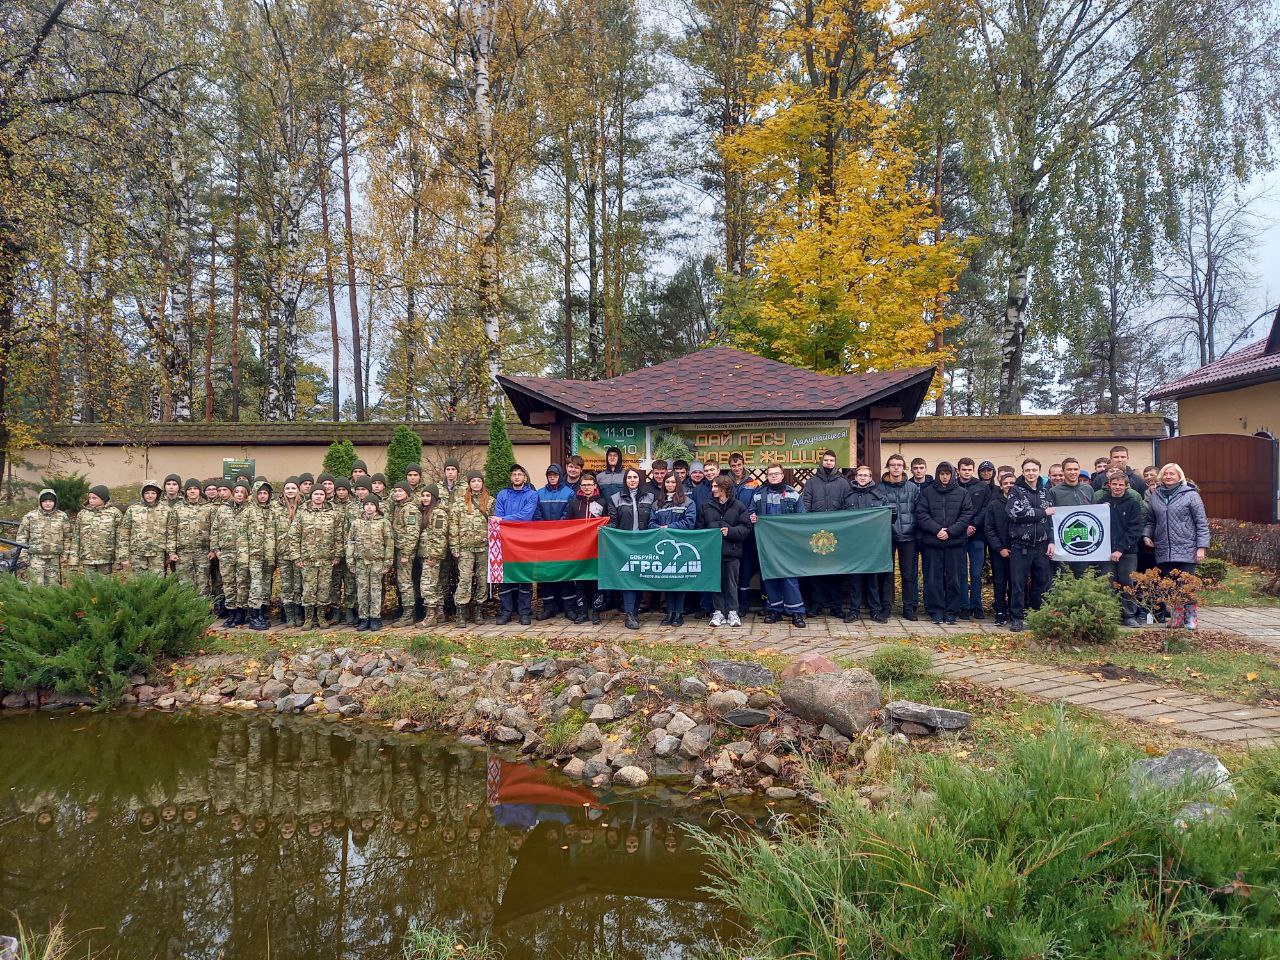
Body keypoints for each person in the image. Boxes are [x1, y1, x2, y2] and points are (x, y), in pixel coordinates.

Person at [1144, 462, 1210, 629]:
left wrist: (1201, 547)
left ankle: (1191, 618)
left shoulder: (1191, 495)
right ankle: (1177, 617)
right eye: (1165, 474)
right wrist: (1147, 535)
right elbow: (1151, 521)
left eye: (1172, 474)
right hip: (1164, 548)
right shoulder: (1156, 496)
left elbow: (1201, 522)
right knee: (1171, 586)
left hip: (1187, 546)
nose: (1168, 476)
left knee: (1187, 585)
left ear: (1179, 476)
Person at [914, 461, 973, 624]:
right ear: (938, 474)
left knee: (954, 579)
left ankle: (951, 611)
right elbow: (921, 514)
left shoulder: (962, 493)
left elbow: (967, 514)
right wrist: (937, 530)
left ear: (953, 475)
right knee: (933, 578)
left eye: (947, 474)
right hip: (932, 543)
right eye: (942, 474)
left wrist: (950, 532)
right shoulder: (927, 492)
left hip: (955, 543)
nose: (945, 477)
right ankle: (936, 610)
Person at [749, 463, 807, 627]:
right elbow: (750, 512)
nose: (773, 476)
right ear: (767, 476)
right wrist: (752, 517)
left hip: (788, 544)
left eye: (776, 473)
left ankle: (796, 613)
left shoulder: (793, 494)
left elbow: (801, 517)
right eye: (770, 474)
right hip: (767, 544)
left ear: (782, 475)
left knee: (790, 577)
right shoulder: (758, 495)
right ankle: (774, 610)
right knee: (770, 577)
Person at [1006, 458, 1057, 632]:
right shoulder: (1016, 491)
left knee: (1041, 583)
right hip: (1021, 545)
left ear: (1039, 471)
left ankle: (1037, 615)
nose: (1031, 473)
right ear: (1023, 471)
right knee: (1018, 583)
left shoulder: (1046, 492)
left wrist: (1051, 540)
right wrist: (1042, 512)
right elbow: (1016, 513)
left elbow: (1051, 520)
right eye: (1027, 470)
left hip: (1042, 545)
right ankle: (1017, 618)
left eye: (1034, 470)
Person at [800, 449, 851, 617]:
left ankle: (836, 606)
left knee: (836, 571)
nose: (829, 463)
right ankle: (817, 604)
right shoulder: (812, 482)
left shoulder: (843, 483)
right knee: (816, 571)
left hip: (836, 533)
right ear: (821, 462)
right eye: (826, 460)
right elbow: (806, 503)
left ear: (836, 463)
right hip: (816, 532)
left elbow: (847, 505)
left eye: (832, 460)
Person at [607, 467, 655, 629]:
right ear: (625, 480)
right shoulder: (615, 498)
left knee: (639, 577)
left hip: (645, 543)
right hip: (625, 544)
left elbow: (653, 519)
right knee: (628, 579)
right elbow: (613, 521)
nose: (632, 480)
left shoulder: (650, 497)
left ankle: (634, 612)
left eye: (635, 477)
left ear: (640, 480)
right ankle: (629, 614)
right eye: (629, 478)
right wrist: (606, 529)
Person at [700, 474, 751, 627]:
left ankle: (733, 612)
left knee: (732, 583)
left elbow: (746, 528)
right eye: (712, 486)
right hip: (713, 553)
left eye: (716, 486)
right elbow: (699, 527)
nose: (713, 489)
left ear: (725, 488)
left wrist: (731, 532)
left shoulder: (739, 506)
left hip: (732, 552)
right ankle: (718, 612)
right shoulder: (706, 506)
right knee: (716, 583)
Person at [1097, 469, 1145, 627]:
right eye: (1115, 484)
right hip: (1105, 551)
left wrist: (1120, 549)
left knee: (1127, 582)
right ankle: (1109, 614)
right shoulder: (1101, 503)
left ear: (1126, 486)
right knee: (1106, 583)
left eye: (1121, 485)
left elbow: (1135, 529)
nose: (1117, 487)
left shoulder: (1132, 503)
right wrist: (1101, 510)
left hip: (1128, 552)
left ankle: (1129, 615)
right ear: (1109, 484)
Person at [494, 464, 539, 625]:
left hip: (525, 541)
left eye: (520, 474)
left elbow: (526, 515)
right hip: (505, 541)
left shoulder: (532, 495)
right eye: (514, 474)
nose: (517, 477)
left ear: (525, 478)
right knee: (505, 578)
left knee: (524, 577)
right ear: (511, 477)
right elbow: (498, 515)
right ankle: (506, 612)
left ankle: (524, 613)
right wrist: (504, 520)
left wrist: (506, 520)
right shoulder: (502, 494)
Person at [650, 472, 697, 626]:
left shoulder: (688, 502)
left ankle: (679, 613)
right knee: (668, 581)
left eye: (672, 482)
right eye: (667, 482)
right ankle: (670, 612)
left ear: (678, 483)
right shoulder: (658, 503)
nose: (670, 485)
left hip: (681, 547)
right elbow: (651, 523)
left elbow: (690, 522)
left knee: (680, 581)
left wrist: (669, 527)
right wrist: (659, 528)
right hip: (665, 548)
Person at [877, 454, 920, 620]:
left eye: (899, 465)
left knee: (908, 574)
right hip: (887, 536)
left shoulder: (913, 488)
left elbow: (919, 511)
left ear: (904, 467)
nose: (896, 468)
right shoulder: (879, 489)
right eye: (893, 465)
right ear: (888, 467)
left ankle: (908, 608)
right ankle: (886, 606)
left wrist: (915, 528)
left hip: (909, 536)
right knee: (887, 573)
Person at [844, 464, 889, 622]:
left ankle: (875, 610)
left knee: (873, 579)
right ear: (855, 477)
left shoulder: (879, 496)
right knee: (855, 579)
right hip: (854, 543)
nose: (862, 478)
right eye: (860, 475)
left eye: (866, 475)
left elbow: (887, 520)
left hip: (873, 544)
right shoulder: (848, 497)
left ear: (871, 478)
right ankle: (854, 611)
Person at [449, 471, 492, 627]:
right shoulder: (460, 503)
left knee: (482, 579)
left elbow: (494, 524)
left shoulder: (490, 502)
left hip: (483, 547)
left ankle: (479, 609)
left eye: (478, 481)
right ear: (469, 483)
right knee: (465, 579)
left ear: (482, 483)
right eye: (472, 481)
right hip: (465, 548)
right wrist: (454, 545)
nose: (475, 483)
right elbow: (453, 525)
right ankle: (461, 612)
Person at [295, 486, 341, 630]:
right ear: (311, 496)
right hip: (308, 559)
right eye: (316, 494)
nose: (319, 496)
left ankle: (321, 617)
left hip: (326, 559)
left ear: (325, 496)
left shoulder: (333, 514)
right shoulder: (302, 514)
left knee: (324, 589)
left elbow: (339, 536)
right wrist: (296, 556)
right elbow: (294, 536)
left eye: (321, 494)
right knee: (308, 589)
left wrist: (338, 555)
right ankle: (308, 619)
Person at [346, 494, 393, 632]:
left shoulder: (384, 523)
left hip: (377, 562)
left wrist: (387, 562)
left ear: (376, 507)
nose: (369, 507)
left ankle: (375, 617)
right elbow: (350, 542)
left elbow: (389, 544)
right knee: (362, 590)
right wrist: (350, 560)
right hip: (361, 562)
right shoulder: (356, 523)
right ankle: (363, 617)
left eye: (372, 505)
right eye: (367, 505)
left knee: (376, 590)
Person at [534, 464, 575, 620]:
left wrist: (557, 531)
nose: (552, 477)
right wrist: (546, 531)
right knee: (546, 573)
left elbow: (568, 515)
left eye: (555, 475)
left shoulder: (569, 493)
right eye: (549, 475)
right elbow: (536, 514)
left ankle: (569, 608)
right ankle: (549, 607)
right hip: (545, 541)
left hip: (563, 540)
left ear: (560, 476)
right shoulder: (539, 493)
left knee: (566, 573)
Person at [565, 471, 607, 623]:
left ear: (595, 486)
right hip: (579, 550)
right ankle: (582, 612)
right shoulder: (574, 503)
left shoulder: (603, 502)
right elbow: (567, 525)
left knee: (597, 582)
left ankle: (596, 612)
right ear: (580, 487)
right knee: (580, 582)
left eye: (590, 485)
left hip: (597, 548)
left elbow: (608, 523)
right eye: (584, 485)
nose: (587, 487)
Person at [237, 480, 278, 631]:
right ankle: (254, 616)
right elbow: (241, 536)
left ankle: (262, 614)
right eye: (259, 493)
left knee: (266, 585)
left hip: (269, 555)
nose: (262, 496)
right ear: (255, 494)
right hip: (253, 555)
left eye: (265, 493)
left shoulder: (273, 511)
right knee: (256, 585)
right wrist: (243, 557)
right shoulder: (248, 511)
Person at [956, 457, 992, 619]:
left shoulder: (982, 487)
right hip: (958, 535)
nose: (967, 472)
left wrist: (974, 525)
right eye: (964, 469)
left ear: (973, 470)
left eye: (969, 470)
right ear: (958, 470)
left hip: (977, 535)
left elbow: (986, 509)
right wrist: (962, 527)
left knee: (976, 573)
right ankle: (963, 605)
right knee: (961, 572)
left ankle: (976, 605)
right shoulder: (953, 486)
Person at [1049, 457, 1097, 578]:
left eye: (1075, 469)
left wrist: (1103, 509)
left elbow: (1095, 513)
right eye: (1069, 469)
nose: (1073, 472)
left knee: (1082, 577)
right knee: (1064, 576)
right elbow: (1050, 519)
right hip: (1063, 542)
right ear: (1063, 471)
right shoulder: (1054, 491)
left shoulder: (1088, 489)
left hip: (1084, 542)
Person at [172, 478, 216, 601]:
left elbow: (214, 530)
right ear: (185, 491)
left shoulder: (209, 508)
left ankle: (203, 611)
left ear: (200, 491)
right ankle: (186, 611)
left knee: (203, 583)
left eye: (195, 489)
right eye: (189, 489)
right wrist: (171, 551)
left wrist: (213, 549)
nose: (192, 491)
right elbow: (171, 530)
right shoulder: (177, 508)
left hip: (203, 552)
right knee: (184, 583)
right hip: (183, 552)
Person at [121, 481, 176, 577]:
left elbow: (171, 533)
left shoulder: (166, 510)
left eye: (153, 493)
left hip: (158, 553)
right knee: (139, 584)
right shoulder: (133, 509)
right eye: (147, 493)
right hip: (137, 554)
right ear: (142, 494)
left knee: (157, 583)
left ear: (158, 494)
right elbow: (124, 533)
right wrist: (123, 555)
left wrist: (171, 553)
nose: (150, 496)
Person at [18, 488, 70, 586]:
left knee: (53, 587)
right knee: (36, 585)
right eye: (45, 501)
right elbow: (22, 537)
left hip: (54, 558)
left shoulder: (62, 516)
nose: (47, 503)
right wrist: (23, 556)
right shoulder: (30, 516)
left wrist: (65, 554)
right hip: (36, 557)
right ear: (40, 502)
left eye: (50, 501)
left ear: (55, 502)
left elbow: (68, 536)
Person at [729, 453, 761, 612]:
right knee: (732, 569)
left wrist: (745, 520)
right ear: (730, 467)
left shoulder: (753, 483)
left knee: (746, 568)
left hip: (746, 532)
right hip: (729, 532)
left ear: (743, 465)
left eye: (739, 465)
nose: (736, 469)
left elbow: (754, 506)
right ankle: (732, 604)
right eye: (733, 466)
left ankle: (744, 604)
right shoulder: (725, 482)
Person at [984, 471, 1015, 626]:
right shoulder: (994, 505)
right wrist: (1000, 548)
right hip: (999, 551)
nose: (1009, 485)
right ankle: (1000, 611)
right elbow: (989, 529)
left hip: (1019, 550)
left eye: (1012, 483)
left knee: (1016, 583)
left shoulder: (1022, 503)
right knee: (1000, 582)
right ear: (1001, 486)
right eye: (1006, 483)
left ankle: (1014, 610)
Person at [388, 482, 421, 627]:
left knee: (405, 582)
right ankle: (406, 612)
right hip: (398, 548)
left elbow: (412, 533)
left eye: (400, 491)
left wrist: (406, 553)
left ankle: (409, 614)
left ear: (407, 493)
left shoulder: (410, 509)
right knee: (402, 582)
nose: (397, 493)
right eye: (395, 491)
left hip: (405, 551)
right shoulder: (398, 507)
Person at [214, 483, 248, 626]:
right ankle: (231, 612)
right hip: (226, 552)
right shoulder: (223, 509)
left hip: (244, 552)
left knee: (242, 583)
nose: (239, 494)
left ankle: (241, 613)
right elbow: (215, 529)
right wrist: (216, 549)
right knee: (228, 583)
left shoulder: (250, 510)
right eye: (236, 491)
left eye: (242, 492)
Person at [69, 484, 120, 577]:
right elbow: (76, 537)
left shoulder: (114, 513)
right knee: (90, 587)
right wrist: (73, 559)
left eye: (94, 498)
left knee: (104, 587)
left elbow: (120, 537)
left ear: (103, 498)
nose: (91, 500)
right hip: (87, 558)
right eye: (89, 498)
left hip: (106, 558)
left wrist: (119, 559)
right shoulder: (83, 514)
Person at [417, 485, 450, 626]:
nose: (425, 498)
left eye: (428, 496)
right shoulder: (425, 511)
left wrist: (433, 556)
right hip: (426, 553)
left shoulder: (438, 513)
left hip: (432, 555)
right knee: (435, 585)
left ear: (434, 498)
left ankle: (430, 617)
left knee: (427, 585)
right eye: (423, 495)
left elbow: (439, 536)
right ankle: (440, 614)